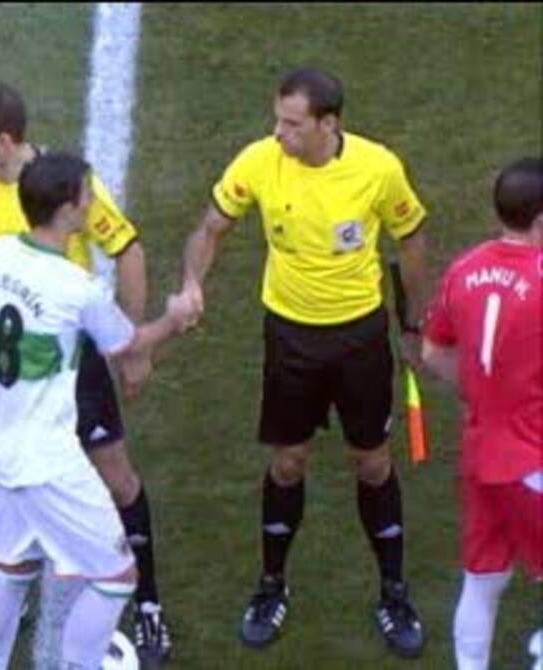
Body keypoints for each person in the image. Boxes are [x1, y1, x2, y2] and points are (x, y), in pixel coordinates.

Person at [0, 81, 171, 661]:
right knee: (59, 555)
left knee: (115, 477)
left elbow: (127, 249)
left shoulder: (56, 191)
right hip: (25, 379)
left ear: (2, 142)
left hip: (65, 364)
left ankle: (148, 603)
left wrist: (128, 342)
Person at [176, 67, 431, 657]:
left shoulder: (377, 168)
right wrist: (192, 282)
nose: (279, 132)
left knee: (372, 463)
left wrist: (414, 323)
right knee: (288, 463)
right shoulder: (259, 161)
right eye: (278, 119)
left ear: (328, 124)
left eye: (292, 124)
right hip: (290, 337)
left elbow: (411, 238)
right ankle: (271, 585)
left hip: (359, 338)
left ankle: (393, 591)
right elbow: (210, 229)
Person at [0, 152, 192, 670]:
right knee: (116, 576)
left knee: (10, 568)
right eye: (86, 195)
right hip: (47, 458)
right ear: (65, 209)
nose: (91, 203)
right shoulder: (75, 287)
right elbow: (127, 345)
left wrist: (2, 393)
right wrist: (175, 319)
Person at [420, 157, 542, 670]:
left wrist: (479, 392)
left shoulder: (464, 269)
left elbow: (432, 352)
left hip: (482, 453)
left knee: (483, 578)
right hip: (533, 458)